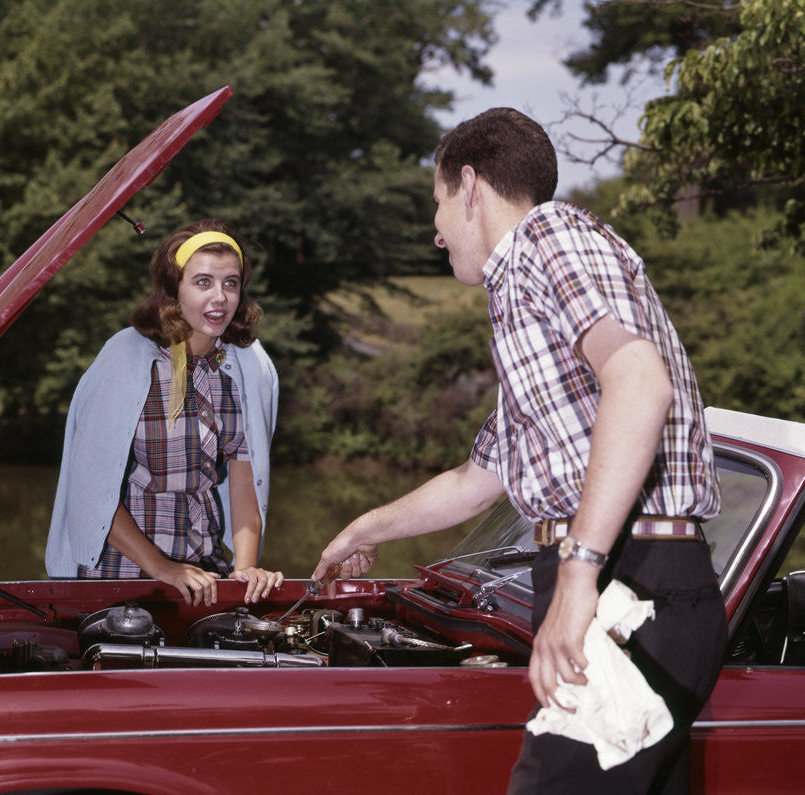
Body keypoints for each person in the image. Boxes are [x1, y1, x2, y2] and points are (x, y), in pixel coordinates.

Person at [312, 109, 727, 793]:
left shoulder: (548, 237)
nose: (435, 229)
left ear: (470, 185)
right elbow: (478, 479)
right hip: (631, 585)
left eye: (437, 202)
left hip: (628, 587)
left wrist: (578, 574)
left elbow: (640, 382)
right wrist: (365, 529)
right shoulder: (521, 300)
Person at [47, 219, 283, 607]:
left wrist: (245, 570)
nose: (220, 297)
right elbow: (88, 490)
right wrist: (162, 568)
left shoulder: (248, 365)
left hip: (205, 575)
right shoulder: (126, 357)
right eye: (203, 282)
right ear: (174, 289)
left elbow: (247, 481)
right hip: (122, 577)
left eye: (231, 283)